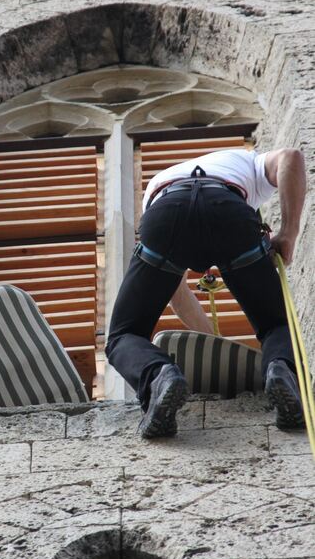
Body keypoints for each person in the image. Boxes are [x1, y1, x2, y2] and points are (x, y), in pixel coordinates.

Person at [106, 147, 306, 439]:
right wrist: (288, 232)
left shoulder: (160, 180)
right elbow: (291, 158)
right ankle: (281, 372)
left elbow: (175, 289)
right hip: (228, 212)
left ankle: (159, 376)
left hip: (165, 215)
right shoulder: (248, 160)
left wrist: (212, 340)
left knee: (124, 335)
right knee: (277, 324)